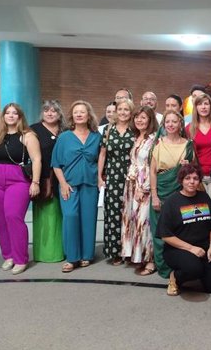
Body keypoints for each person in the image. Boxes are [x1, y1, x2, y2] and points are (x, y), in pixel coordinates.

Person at [0, 103, 42, 275]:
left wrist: (36, 182)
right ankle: (8, 255)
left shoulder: (28, 136)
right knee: (0, 219)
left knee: (13, 216)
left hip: (18, 180)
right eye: (8, 113)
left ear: (20, 117)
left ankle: (20, 258)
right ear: (3, 116)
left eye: (15, 113)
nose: (11, 116)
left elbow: (37, 159)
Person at [156, 163, 211, 296]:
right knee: (193, 268)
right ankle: (175, 277)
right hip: (178, 249)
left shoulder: (204, 197)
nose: (192, 182)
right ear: (181, 180)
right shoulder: (172, 201)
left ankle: (201, 271)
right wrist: (191, 248)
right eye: (187, 178)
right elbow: (165, 235)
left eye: (195, 178)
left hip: (204, 247)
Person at [51, 100, 102, 272]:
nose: (79, 114)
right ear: (72, 116)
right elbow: (56, 163)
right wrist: (63, 184)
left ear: (89, 116)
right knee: (71, 216)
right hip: (69, 184)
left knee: (88, 219)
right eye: (76, 112)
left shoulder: (97, 137)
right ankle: (72, 257)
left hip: (90, 183)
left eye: (82, 112)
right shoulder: (64, 137)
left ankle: (87, 255)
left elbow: (102, 160)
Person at [150, 110, 195, 278]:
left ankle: (181, 264)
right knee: (161, 230)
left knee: (182, 229)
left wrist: (187, 165)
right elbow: (152, 172)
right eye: (167, 121)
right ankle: (164, 268)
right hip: (161, 190)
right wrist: (154, 195)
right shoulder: (158, 144)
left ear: (180, 124)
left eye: (174, 121)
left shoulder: (188, 144)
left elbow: (194, 170)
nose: (170, 124)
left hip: (181, 191)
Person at [121, 106, 159, 272]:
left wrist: (143, 188)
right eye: (137, 117)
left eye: (143, 118)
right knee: (133, 221)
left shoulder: (153, 140)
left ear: (150, 120)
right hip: (131, 185)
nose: (139, 120)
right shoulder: (137, 136)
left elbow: (151, 166)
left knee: (145, 223)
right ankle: (137, 255)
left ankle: (150, 260)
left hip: (144, 186)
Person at [186, 93, 211, 254]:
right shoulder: (189, 129)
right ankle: (201, 246)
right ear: (196, 107)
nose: (203, 107)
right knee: (198, 213)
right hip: (197, 178)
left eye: (206, 104)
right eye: (200, 104)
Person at [98, 98, 134, 263]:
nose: (123, 112)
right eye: (120, 109)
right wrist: (99, 176)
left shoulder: (135, 129)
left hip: (131, 177)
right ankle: (115, 252)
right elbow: (103, 154)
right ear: (116, 111)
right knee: (113, 214)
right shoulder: (108, 130)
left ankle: (130, 251)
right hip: (112, 177)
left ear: (131, 111)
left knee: (129, 213)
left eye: (126, 109)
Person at [30, 100, 66, 263]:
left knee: (63, 215)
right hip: (44, 178)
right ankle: (45, 253)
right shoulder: (33, 130)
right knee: (47, 214)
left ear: (59, 114)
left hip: (64, 177)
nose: (50, 113)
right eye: (46, 110)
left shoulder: (66, 130)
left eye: (54, 111)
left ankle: (64, 249)